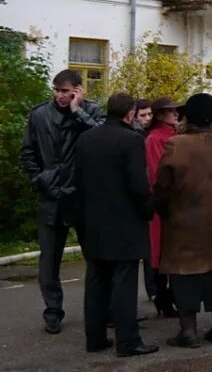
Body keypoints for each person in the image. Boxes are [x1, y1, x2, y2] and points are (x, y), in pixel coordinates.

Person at [19, 68, 104, 334]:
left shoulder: (91, 112)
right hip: (51, 196)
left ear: (78, 90)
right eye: (56, 91)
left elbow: (104, 141)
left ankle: (104, 309)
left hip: (82, 196)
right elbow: (27, 153)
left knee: (97, 258)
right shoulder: (40, 114)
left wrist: (78, 112)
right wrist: (40, 179)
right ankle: (52, 311)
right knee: (49, 260)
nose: (60, 96)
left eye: (65, 92)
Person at [74, 93, 158, 357]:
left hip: (94, 222)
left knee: (97, 281)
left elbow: (77, 180)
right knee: (124, 283)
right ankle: (128, 341)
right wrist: (147, 211)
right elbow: (138, 185)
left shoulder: (86, 138)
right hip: (125, 223)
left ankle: (95, 338)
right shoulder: (131, 140)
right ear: (130, 114)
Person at [155, 93, 212, 348]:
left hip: (185, 223)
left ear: (188, 116)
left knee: (184, 277)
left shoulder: (176, 145)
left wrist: (162, 207)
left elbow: (163, 184)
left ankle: (189, 331)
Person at [144, 97, 182, 317]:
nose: (176, 113)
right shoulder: (155, 138)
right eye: (171, 111)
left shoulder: (174, 135)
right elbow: (158, 171)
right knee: (160, 252)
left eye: (176, 110)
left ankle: (171, 296)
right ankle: (162, 296)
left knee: (171, 251)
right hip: (163, 204)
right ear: (160, 115)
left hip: (174, 202)